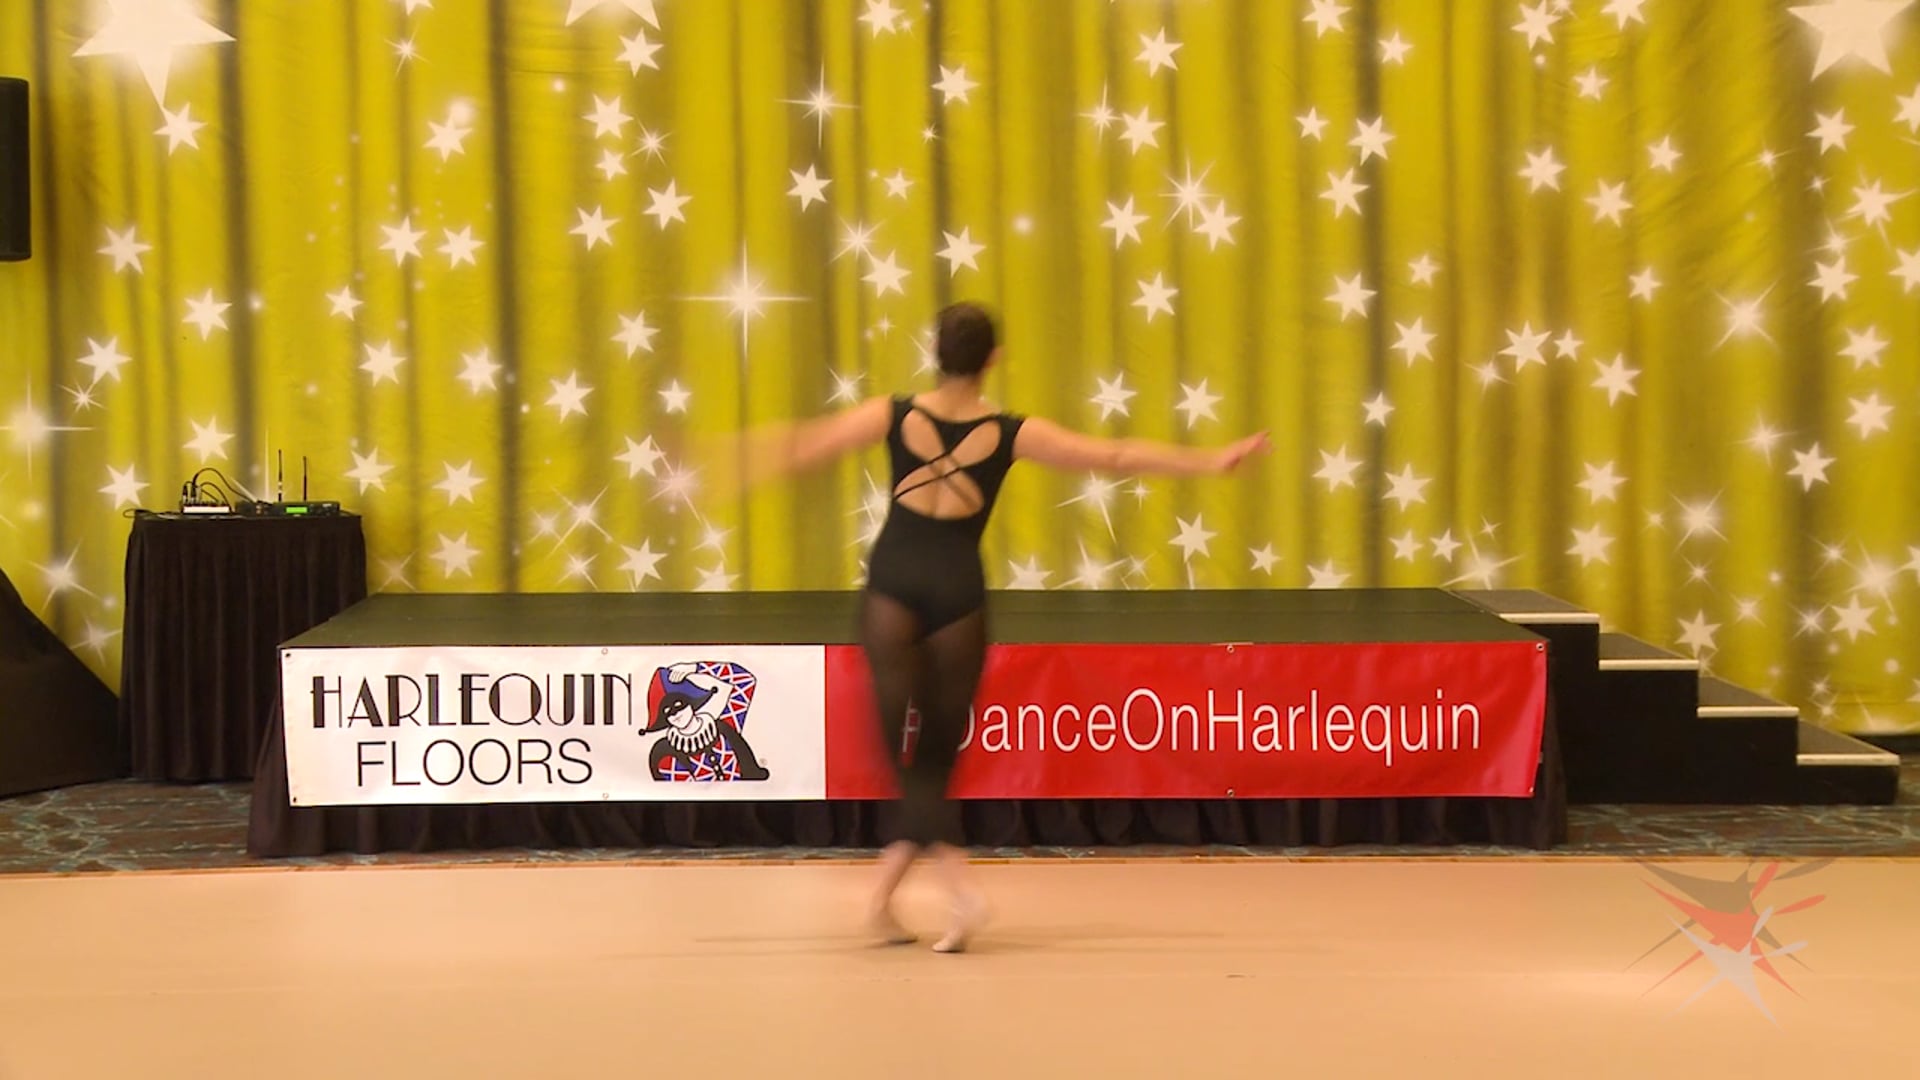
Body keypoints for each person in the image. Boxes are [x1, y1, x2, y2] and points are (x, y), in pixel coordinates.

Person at [716, 302, 1269, 952]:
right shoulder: (1010, 432)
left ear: (934, 351)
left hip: (893, 592)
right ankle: (899, 901)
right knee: (932, 760)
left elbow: (807, 444)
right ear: (993, 359)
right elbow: (1115, 454)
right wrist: (1211, 461)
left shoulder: (892, 414)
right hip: (957, 597)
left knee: (907, 765)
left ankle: (953, 896)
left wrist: (727, 461)